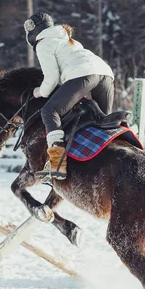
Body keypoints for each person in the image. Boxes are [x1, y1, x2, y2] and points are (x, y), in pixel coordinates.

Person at [24, 12, 115, 180]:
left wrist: (39, 92)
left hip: (83, 74)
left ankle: (58, 164)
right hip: (106, 74)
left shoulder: (43, 43)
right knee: (103, 123)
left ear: (33, 31)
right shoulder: (67, 39)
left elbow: (51, 79)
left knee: (49, 111)